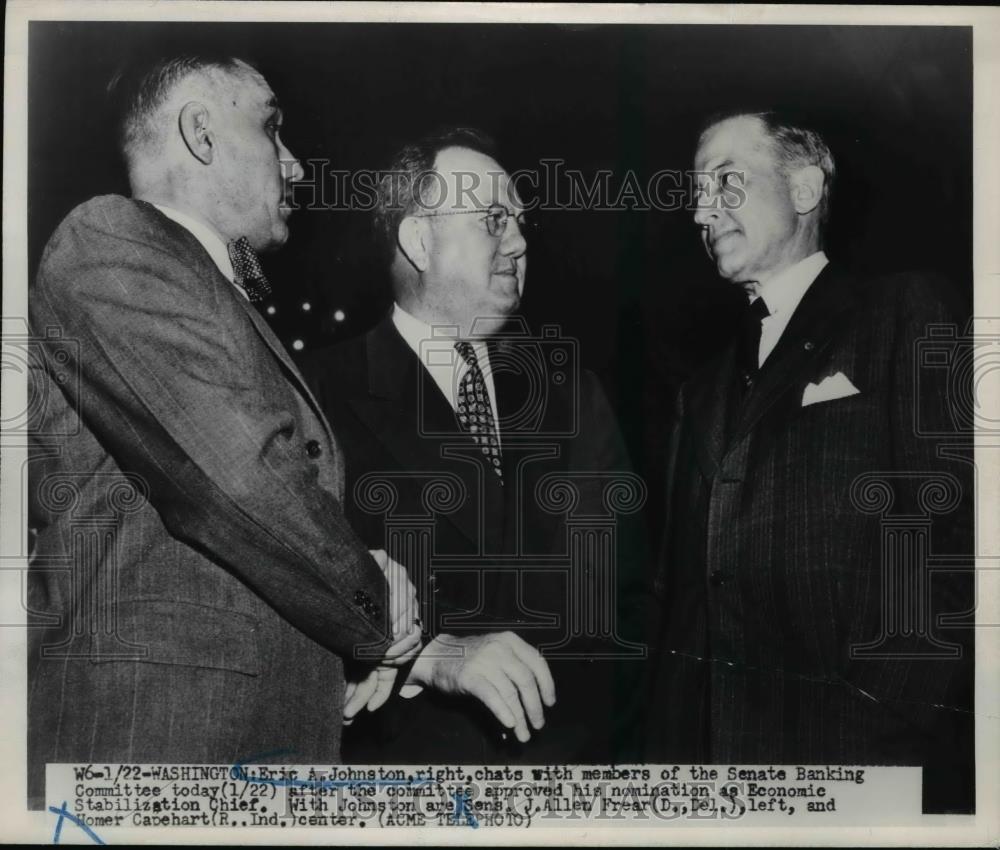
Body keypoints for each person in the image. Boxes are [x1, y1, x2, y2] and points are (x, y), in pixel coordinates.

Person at [27, 52, 419, 809]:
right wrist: (373, 612)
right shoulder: (107, 238)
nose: (297, 165)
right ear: (201, 133)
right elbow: (240, 477)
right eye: (272, 127)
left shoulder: (206, 290)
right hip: (155, 750)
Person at [648, 111, 974, 812]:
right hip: (708, 775)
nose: (701, 208)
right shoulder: (699, 389)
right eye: (696, 192)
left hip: (860, 761)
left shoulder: (905, 312)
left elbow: (961, 535)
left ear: (803, 189)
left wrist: (887, 721)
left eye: (724, 181)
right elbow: (678, 595)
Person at [302, 128, 646, 764]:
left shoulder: (574, 395)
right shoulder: (312, 394)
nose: (518, 242)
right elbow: (296, 591)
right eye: (493, 219)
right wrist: (434, 654)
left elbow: (623, 602)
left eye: (519, 221)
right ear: (420, 240)